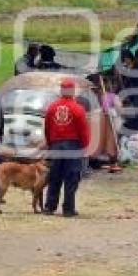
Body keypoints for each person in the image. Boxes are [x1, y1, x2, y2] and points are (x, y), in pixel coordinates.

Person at [43, 78, 90, 217]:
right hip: (73, 146)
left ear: (61, 90)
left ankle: (49, 207)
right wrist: (85, 146)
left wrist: (50, 143)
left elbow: (47, 128)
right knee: (71, 177)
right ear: (73, 91)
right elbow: (83, 130)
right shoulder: (78, 109)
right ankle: (68, 209)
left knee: (54, 177)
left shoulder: (52, 107)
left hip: (56, 145)